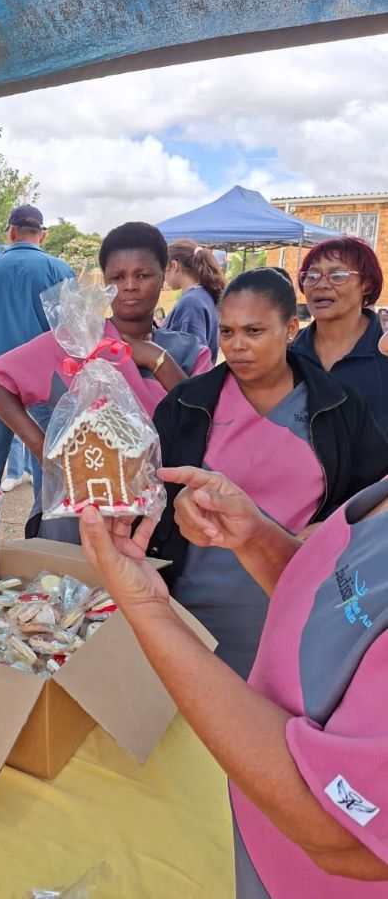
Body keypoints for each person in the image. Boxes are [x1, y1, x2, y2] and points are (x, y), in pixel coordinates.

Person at [78, 457, 388, 896]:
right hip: (264, 839)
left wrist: (148, 610)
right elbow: (343, 609)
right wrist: (258, 540)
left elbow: (334, 826)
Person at [150, 268, 388, 678]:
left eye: (254, 331)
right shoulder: (187, 404)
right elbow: (153, 492)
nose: (237, 346)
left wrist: (329, 531)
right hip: (192, 604)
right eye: (227, 332)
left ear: (290, 329)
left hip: (300, 605)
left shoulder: (339, 407)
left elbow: (372, 498)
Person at [0, 222, 214, 540]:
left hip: (153, 523)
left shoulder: (187, 351)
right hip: (72, 519)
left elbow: (203, 418)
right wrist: (42, 449)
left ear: (164, 276)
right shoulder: (76, 340)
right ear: (105, 282)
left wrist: (157, 359)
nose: (129, 286)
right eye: (117, 277)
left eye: (142, 275)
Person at [0, 204, 75, 545]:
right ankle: (43, 543)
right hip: (46, 392)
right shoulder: (59, 270)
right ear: (43, 234)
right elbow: (74, 336)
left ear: (10, 232)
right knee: (46, 466)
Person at [290, 235, 388, 437]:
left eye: (337, 275)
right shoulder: (286, 351)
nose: (321, 285)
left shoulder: (384, 349)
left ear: (366, 284)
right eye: (312, 275)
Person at [162, 238, 225, 361]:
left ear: (174, 266)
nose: (163, 277)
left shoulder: (191, 303)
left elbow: (189, 360)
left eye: (164, 270)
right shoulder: (203, 296)